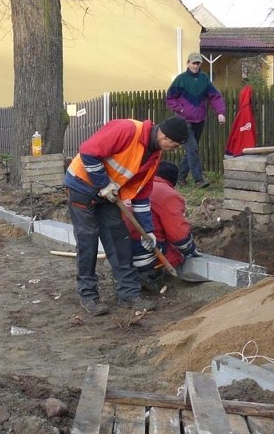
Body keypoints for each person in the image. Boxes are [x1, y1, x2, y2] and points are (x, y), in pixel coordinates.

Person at [63, 116, 188, 315]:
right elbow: (87, 151)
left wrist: (148, 231)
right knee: (88, 241)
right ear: (164, 134)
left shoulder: (154, 158)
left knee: (119, 240)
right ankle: (88, 297)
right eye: (172, 145)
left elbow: (141, 195)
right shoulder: (127, 130)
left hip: (109, 195)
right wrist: (103, 183)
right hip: (81, 185)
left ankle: (128, 294)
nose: (171, 150)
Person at [124, 161, 201, 292]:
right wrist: (190, 250)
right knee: (175, 256)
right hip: (141, 247)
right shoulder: (167, 194)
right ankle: (146, 273)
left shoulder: (134, 186)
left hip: (117, 247)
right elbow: (178, 236)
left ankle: (126, 272)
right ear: (172, 181)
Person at [166, 52, 226, 188]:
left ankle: (180, 178)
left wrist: (220, 113)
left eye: (198, 63)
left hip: (199, 120)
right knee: (192, 148)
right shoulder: (180, 79)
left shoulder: (204, 79)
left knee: (191, 151)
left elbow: (215, 96)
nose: (195, 65)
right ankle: (199, 180)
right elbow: (170, 98)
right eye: (193, 63)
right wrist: (181, 109)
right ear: (188, 63)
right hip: (184, 121)